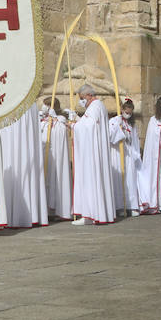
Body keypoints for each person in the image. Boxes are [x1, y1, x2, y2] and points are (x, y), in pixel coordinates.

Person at [72, 85, 115, 225]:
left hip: (92, 153)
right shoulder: (98, 106)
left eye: (82, 98)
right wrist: (77, 120)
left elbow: (88, 127)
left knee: (90, 179)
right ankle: (94, 213)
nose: (81, 101)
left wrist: (74, 126)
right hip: (94, 150)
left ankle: (90, 214)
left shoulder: (95, 107)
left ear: (89, 95)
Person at [1, 102, 48, 228]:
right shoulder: (30, 102)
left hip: (16, 151)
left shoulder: (15, 100)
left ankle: (17, 215)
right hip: (23, 149)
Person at [41, 98, 73, 219]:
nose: (44, 107)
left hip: (57, 155)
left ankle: (59, 210)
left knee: (57, 179)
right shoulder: (43, 119)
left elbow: (61, 133)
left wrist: (54, 119)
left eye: (46, 105)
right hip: (46, 155)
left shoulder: (60, 119)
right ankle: (48, 209)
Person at [109, 98, 141, 216]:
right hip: (117, 153)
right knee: (119, 179)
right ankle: (119, 206)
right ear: (122, 109)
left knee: (130, 178)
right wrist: (119, 131)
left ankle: (131, 205)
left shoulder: (131, 124)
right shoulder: (114, 121)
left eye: (130, 113)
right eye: (126, 112)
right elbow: (110, 135)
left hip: (128, 153)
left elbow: (135, 139)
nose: (128, 115)